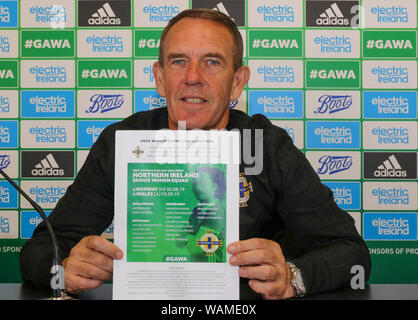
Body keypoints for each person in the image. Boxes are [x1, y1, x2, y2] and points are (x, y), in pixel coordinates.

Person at [20, 9, 371, 299]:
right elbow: (40, 250)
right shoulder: (124, 141)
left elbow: (352, 255)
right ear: (159, 78)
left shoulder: (266, 145)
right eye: (178, 61)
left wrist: (292, 276)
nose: (192, 77)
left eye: (212, 62)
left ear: (237, 81)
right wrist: (62, 271)